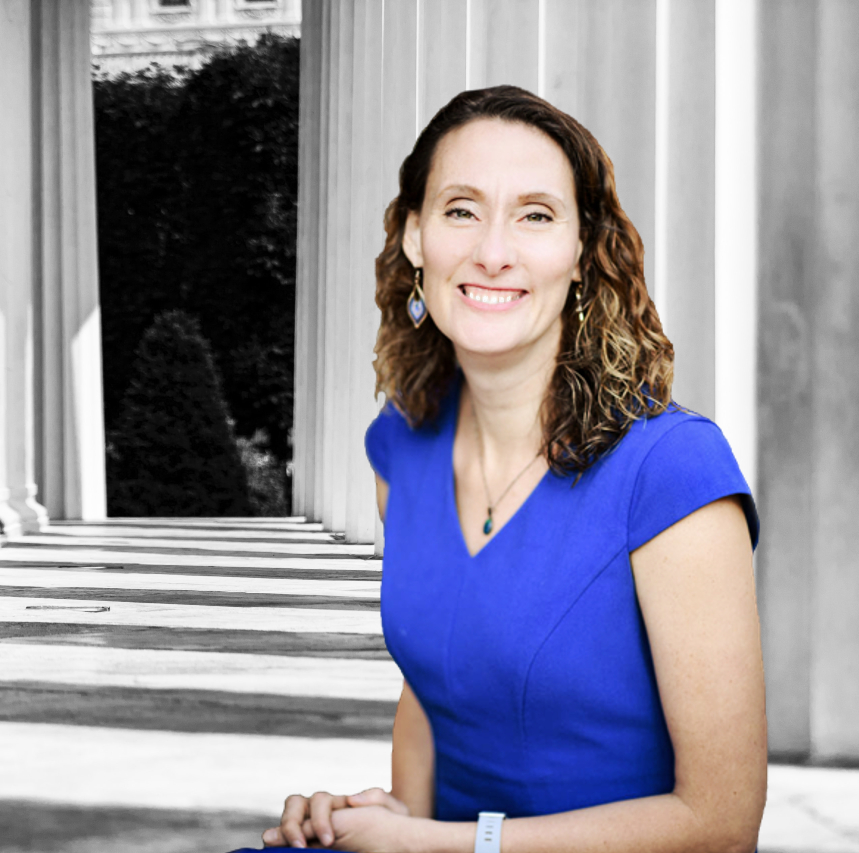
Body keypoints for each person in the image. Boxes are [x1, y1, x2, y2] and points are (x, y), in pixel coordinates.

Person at [253, 84, 765, 853]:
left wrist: (450, 845)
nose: (494, 250)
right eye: (462, 209)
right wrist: (390, 819)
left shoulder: (673, 470)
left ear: (584, 253)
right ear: (416, 237)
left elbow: (721, 823)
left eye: (535, 214)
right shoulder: (401, 445)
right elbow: (432, 686)